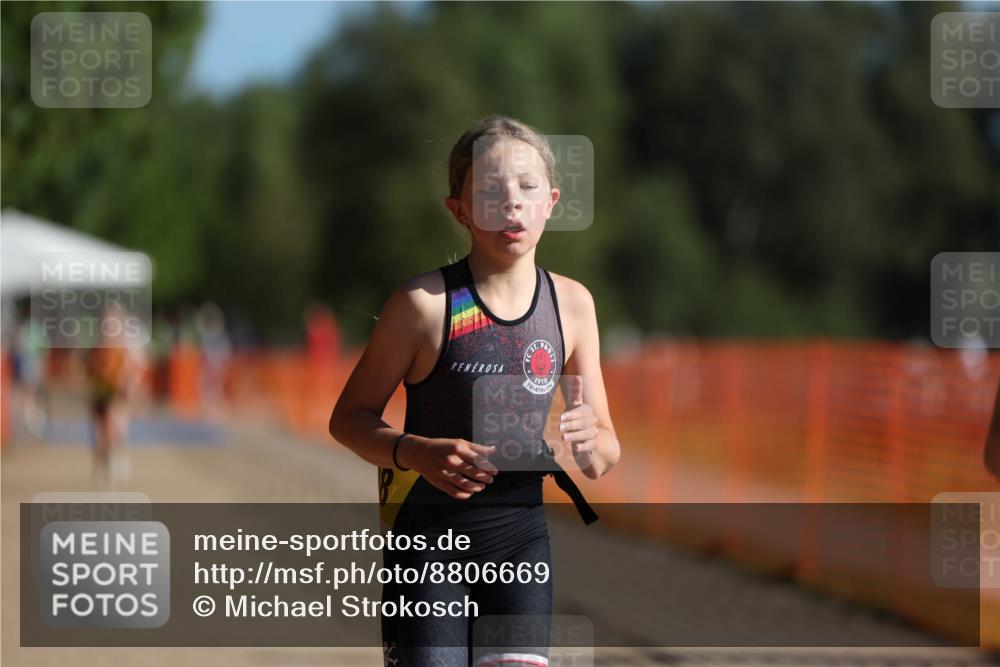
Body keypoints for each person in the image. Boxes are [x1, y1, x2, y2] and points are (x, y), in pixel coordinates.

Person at [329, 114, 620, 667]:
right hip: (428, 551)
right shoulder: (424, 304)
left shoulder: (573, 306)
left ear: (551, 201)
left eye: (527, 187)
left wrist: (590, 440)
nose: (510, 202)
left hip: (521, 551)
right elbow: (348, 418)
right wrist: (414, 450)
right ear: (458, 209)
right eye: (489, 189)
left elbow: (605, 453)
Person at [86, 303, 146, 484]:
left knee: (114, 429)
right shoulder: (97, 349)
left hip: (117, 394)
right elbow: (89, 372)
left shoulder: (125, 350)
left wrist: (131, 390)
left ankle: (113, 459)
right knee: (99, 434)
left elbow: (134, 372)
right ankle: (101, 464)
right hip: (100, 394)